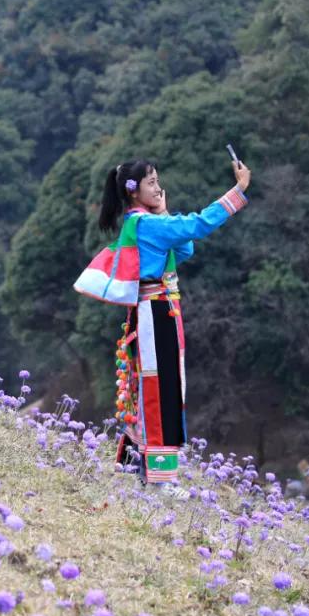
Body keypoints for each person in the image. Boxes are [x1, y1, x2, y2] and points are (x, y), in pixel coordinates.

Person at [73, 158, 251, 488]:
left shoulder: (142, 223)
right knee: (160, 389)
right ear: (133, 191)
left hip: (157, 311)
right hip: (155, 313)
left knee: (148, 388)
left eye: (157, 181)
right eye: (151, 182)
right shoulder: (146, 225)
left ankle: (131, 468)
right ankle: (159, 479)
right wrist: (238, 190)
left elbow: (184, 251)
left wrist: (164, 214)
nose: (157, 187)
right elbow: (197, 226)